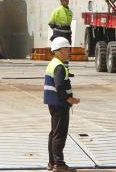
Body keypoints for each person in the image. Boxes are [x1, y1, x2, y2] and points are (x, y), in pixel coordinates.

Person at [44, 37, 80, 172]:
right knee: (60, 134)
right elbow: (59, 87)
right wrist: (69, 99)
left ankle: (52, 162)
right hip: (60, 104)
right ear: (58, 51)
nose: (69, 51)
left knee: (54, 133)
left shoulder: (54, 63)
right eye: (66, 49)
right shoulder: (59, 67)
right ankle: (59, 164)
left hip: (53, 103)